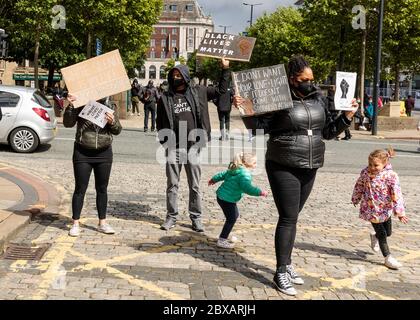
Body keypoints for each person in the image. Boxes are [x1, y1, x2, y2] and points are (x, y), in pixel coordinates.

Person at [233, 55, 356, 296]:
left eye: (312, 79)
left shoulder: (320, 100)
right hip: (283, 163)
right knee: (288, 217)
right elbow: (259, 128)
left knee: (293, 217)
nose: (310, 83)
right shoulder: (278, 99)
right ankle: (280, 272)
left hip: (311, 164)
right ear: (292, 79)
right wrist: (246, 110)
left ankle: (287, 265)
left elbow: (329, 132)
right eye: (304, 79)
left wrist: (347, 117)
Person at [156, 58, 230, 232]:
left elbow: (221, 90)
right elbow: (159, 122)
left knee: (194, 185)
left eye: (179, 75)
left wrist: (225, 69)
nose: (176, 78)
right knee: (172, 184)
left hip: (193, 146)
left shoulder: (199, 91)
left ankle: (196, 217)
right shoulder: (165, 97)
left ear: (186, 76)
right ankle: (171, 216)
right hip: (174, 146)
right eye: (173, 75)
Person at [63, 95, 122, 237]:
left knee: (102, 189)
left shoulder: (110, 105)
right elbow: (68, 123)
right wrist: (70, 106)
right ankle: (75, 223)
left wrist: (112, 122)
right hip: (82, 152)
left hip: (104, 152)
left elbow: (118, 130)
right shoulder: (81, 104)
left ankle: (102, 223)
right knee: (80, 188)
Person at [351, 147, 408, 269]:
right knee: (382, 233)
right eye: (370, 164)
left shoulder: (391, 176)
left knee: (388, 232)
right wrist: (356, 197)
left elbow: (397, 194)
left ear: (385, 163)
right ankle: (388, 257)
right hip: (371, 208)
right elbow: (359, 185)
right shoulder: (366, 173)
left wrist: (399, 211)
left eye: (375, 165)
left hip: (385, 209)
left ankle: (374, 235)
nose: (372, 167)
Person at [208, 152, 268, 248]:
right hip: (227, 199)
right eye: (254, 163)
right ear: (246, 163)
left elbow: (222, 174)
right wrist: (260, 192)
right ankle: (222, 240)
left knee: (233, 216)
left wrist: (213, 179)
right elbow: (248, 188)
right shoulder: (244, 174)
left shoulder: (235, 168)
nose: (256, 165)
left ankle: (225, 235)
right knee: (231, 218)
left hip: (222, 196)